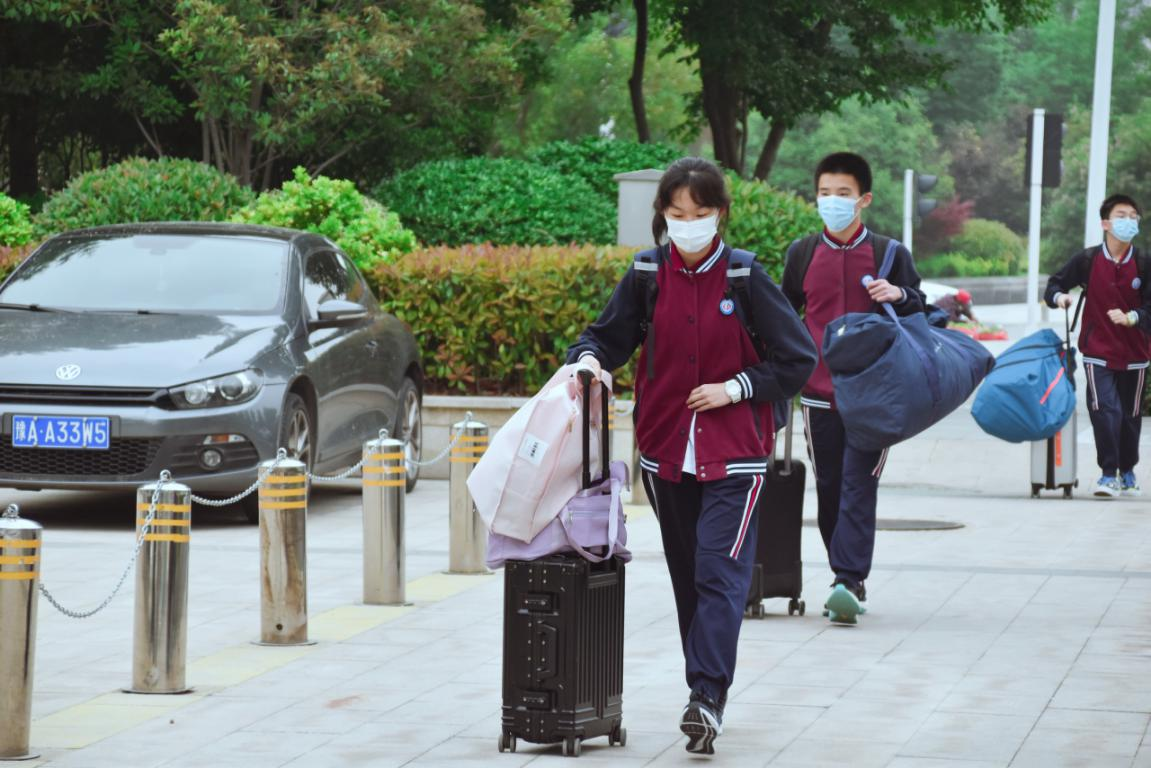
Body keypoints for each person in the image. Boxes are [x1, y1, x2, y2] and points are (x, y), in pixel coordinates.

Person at [567, 157, 816, 755]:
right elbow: (605, 337)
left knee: (719, 571)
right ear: (663, 215)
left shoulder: (745, 277)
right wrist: (588, 360)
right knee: (688, 576)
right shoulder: (647, 274)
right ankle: (703, 691)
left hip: (737, 454)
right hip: (665, 451)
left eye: (700, 213)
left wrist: (737, 388)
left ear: (720, 214)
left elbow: (797, 359)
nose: (688, 224)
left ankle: (707, 696)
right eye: (677, 213)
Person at [780, 152, 925, 626]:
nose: (833, 201)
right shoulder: (802, 253)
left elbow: (921, 307)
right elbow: (783, 314)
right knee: (829, 487)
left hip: (874, 394)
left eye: (843, 194)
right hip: (818, 394)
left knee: (859, 484)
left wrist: (899, 294)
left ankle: (849, 579)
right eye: (825, 193)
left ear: (864, 199)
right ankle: (843, 575)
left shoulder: (888, 253)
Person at [1045, 193, 1151, 498]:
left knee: (1129, 415)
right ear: (1106, 223)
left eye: (1133, 217)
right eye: (1121, 216)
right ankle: (1108, 474)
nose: (1128, 221)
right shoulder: (1087, 260)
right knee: (1105, 410)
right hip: (1097, 350)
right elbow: (1054, 285)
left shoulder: (1144, 263)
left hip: (1136, 353)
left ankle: (1127, 471)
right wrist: (1060, 298)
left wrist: (1133, 317)